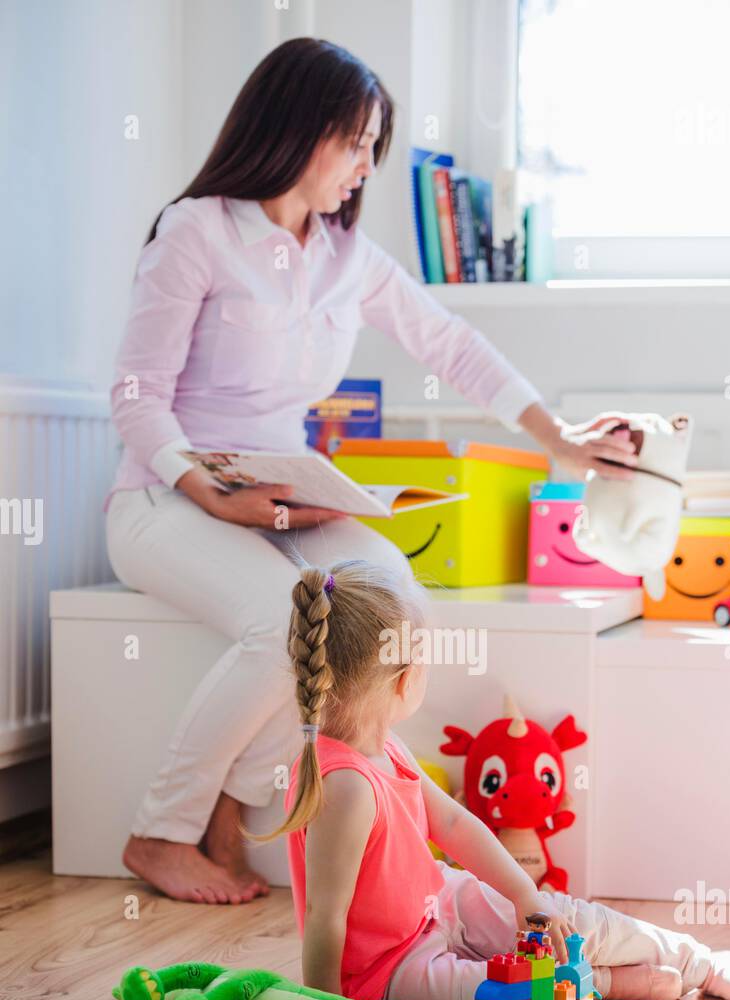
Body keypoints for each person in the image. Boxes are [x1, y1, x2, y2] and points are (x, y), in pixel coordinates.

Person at [106, 36, 639, 906]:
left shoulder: (345, 257)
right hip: (166, 495)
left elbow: (451, 344)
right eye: (355, 142)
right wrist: (210, 493)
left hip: (283, 493)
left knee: (387, 607)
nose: (364, 166)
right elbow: (135, 397)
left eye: (372, 148)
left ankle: (237, 803)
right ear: (296, 128)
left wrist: (562, 438)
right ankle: (159, 832)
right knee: (284, 622)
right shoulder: (198, 229)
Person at [280, 560, 730, 1000]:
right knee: (497, 998)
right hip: (388, 971)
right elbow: (326, 916)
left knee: (564, 917)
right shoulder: (345, 787)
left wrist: (525, 896)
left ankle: (701, 964)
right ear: (405, 679)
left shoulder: (388, 746)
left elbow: (453, 824)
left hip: (440, 904)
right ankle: (606, 983)